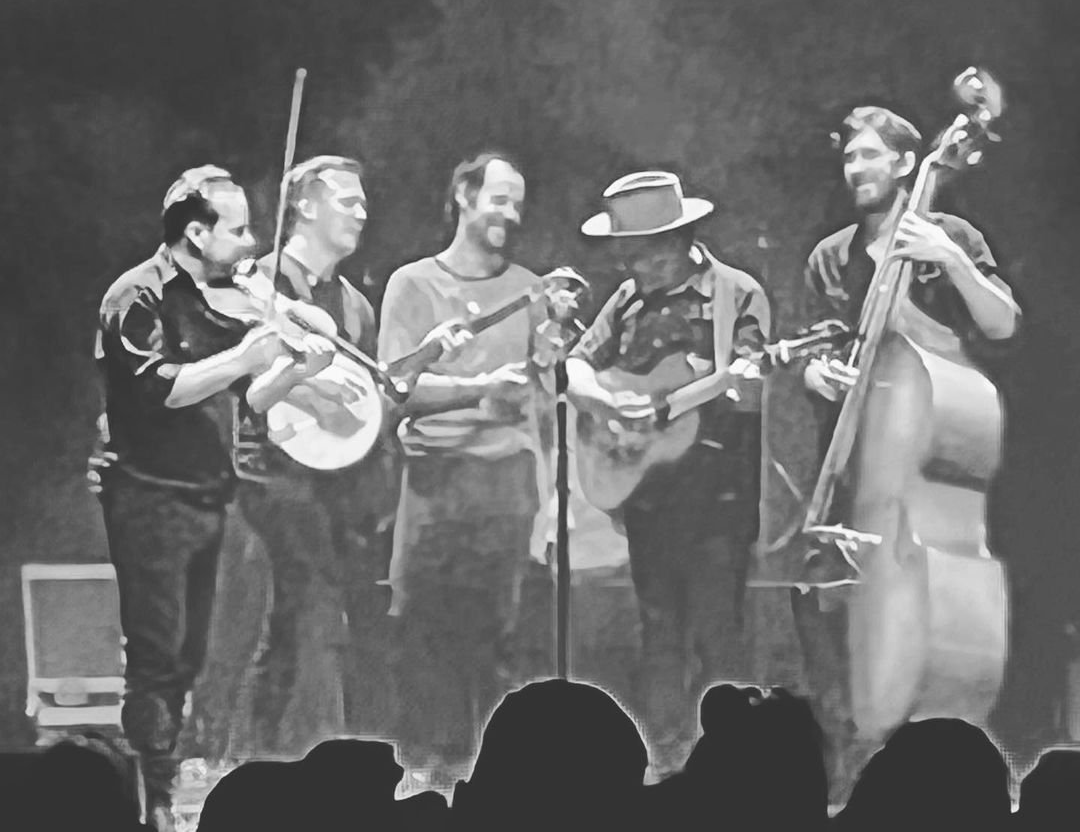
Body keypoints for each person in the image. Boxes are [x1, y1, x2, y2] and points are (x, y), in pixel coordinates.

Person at [94, 167, 335, 830]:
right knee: (156, 657)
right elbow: (161, 389)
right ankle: (152, 797)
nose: (252, 244)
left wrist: (295, 368)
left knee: (192, 655)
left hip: (208, 495)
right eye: (239, 230)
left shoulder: (220, 301)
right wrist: (243, 357)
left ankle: (168, 784)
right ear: (197, 234)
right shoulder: (137, 296)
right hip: (150, 497)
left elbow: (249, 397)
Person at [793, 104, 1021, 794]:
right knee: (817, 606)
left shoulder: (949, 233)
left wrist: (951, 260)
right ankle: (839, 772)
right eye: (848, 157)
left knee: (922, 639)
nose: (855, 168)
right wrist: (817, 374)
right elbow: (817, 351)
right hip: (850, 469)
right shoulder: (830, 257)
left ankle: (926, 775)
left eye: (869, 155)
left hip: (922, 482)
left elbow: (1003, 324)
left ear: (904, 162)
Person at [565, 170, 772, 776]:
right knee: (658, 634)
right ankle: (664, 762)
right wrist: (606, 403)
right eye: (626, 254)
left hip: (717, 500)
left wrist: (743, 383)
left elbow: (752, 386)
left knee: (718, 632)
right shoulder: (627, 299)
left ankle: (735, 766)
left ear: (680, 241)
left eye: (644, 254)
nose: (633, 266)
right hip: (649, 500)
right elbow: (575, 365)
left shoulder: (736, 294)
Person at [377, 152, 552, 783]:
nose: (511, 214)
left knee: (499, 632)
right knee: (425, 625)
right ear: (463, 196)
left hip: (508, 478)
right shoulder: (413, 283)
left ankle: (489, 771)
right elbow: (394, 387)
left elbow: (545, 394)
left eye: (518, 204)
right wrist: (480, 388)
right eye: (499, 199)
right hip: (436, 475)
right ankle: (426, 768)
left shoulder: (532, 290)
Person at [231, 155, 400, 753]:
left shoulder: (354, 305)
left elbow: (366, 401)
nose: (362, 212)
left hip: (341, 483)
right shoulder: (257, 285)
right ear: (304, 205)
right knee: (298, 614)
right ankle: (262, 755)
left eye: (363, 202)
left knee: (355, 619)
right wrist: (311, 383)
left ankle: (359, 754)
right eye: (347, 200)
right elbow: (247, 380)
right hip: (273, 475)